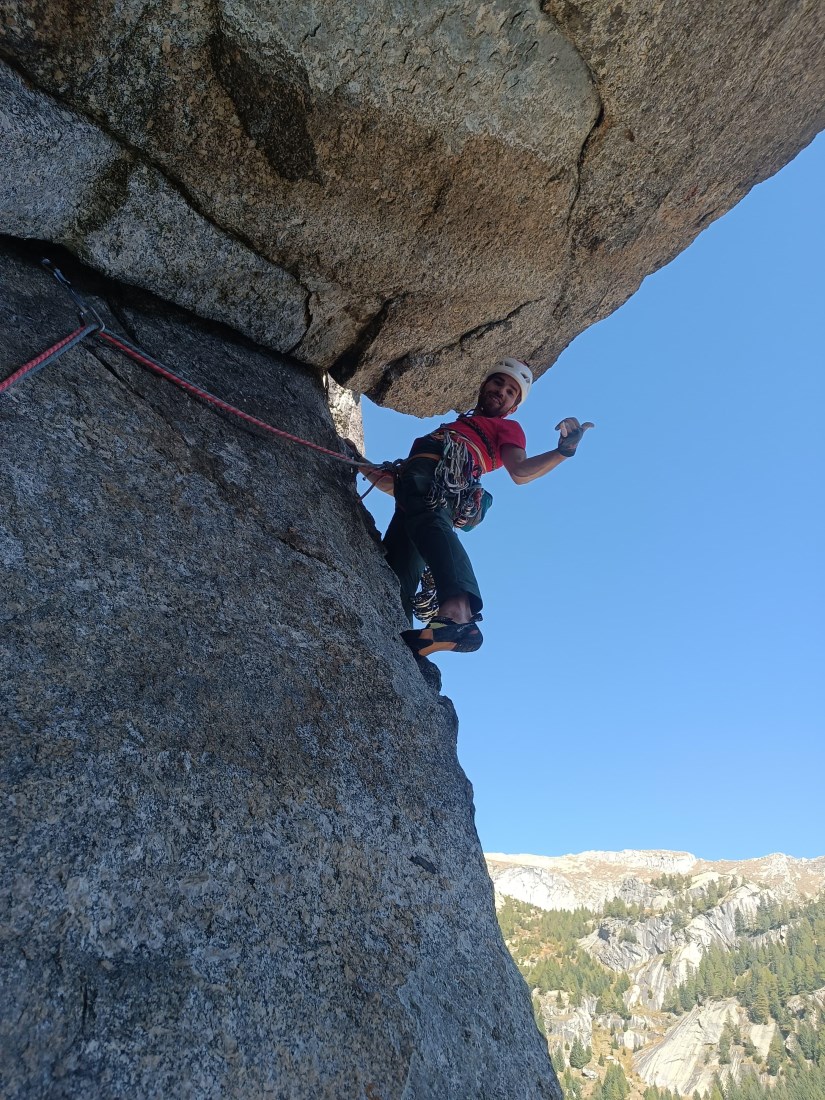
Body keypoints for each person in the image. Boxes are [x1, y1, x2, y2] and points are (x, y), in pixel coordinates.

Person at [370, 359, 593, 657]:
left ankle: (458, 615)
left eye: (511, 391)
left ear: (513, 406)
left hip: (441, 479)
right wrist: (356, 459)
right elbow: (399, 486)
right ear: (484, 385)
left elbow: (521, 471)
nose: (501, 391)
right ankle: (401, 636)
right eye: (498, 383)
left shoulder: (507, 427)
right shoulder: (460, 424)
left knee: (429, 519)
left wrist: (564, 451)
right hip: (414, 489)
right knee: (398, 569)